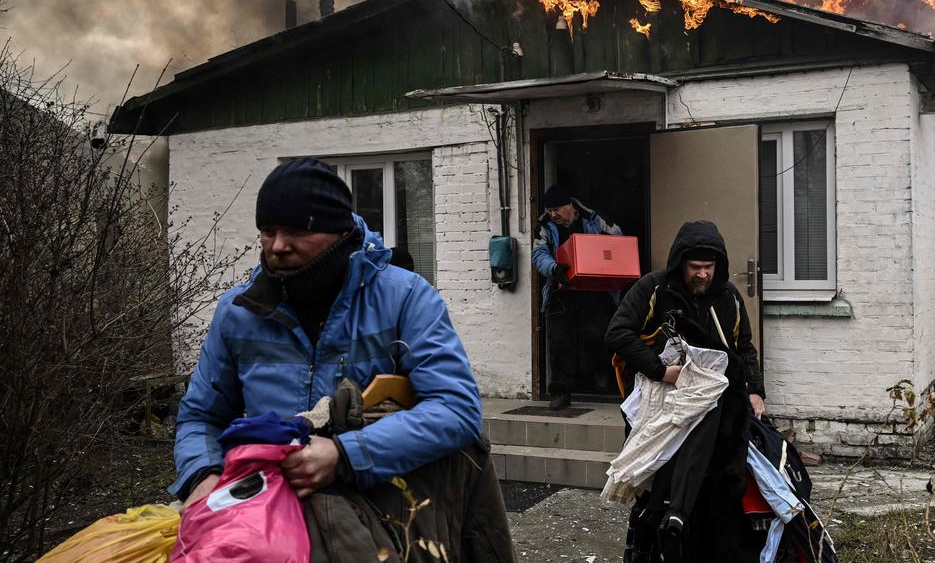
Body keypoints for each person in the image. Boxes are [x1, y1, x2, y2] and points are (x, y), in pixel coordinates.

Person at [171, 157, 513, 562]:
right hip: (266, 518)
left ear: (339, 232)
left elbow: (456, 411)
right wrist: (203, 473)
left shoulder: (405, 298)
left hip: (382, 514)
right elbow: (200, 417)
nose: (278, 245)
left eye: (298, 231)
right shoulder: (238, 311)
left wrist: (346, 455)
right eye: (268, 232)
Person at [606, 220, 766, 562]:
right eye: (695, 267)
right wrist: (662, 371)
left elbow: (744, 348)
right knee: (653, 494)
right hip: (657, 413)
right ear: (681, 263)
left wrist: (755, 391)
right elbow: (618, 333)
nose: (702, 275)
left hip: (714, 418)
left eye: (709, 268)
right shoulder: (655, 289)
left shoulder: (729, 298)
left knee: (711, 497)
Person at [532, 184, 623, 410]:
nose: (552, 214)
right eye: (549, 210)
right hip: (561, 291)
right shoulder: (544, 227)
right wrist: (555, 268)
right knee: (560, 342)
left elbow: (619, 239)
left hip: (594, 290)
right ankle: (561, 393)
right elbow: (538, 254)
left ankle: (600, 375)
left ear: (569, 206)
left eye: (556, 209)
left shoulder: (594, 219)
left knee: (597, 335)